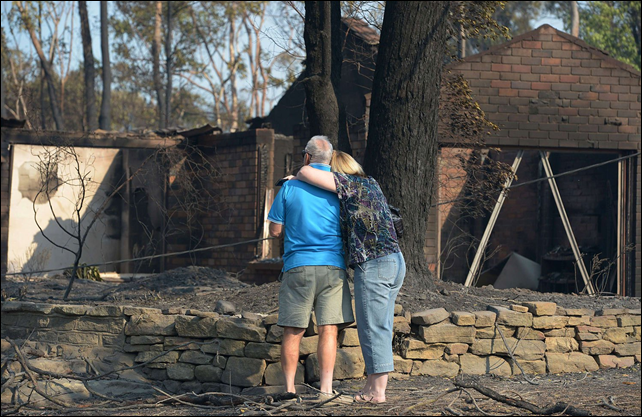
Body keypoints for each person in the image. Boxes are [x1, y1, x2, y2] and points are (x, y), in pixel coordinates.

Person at [296, 150, 406, 404]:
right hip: (395, 260)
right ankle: (372, 384)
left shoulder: (348, 183)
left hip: (374, 263)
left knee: (371, 327)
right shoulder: (370, 183)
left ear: (337, 171)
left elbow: (305, 172)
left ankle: (378, 392)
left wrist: (296, 176)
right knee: (381, 324)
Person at [267, 136, 354, 401]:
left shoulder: (289, 187)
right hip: (332, 266)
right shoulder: (339, 187)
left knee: (294, 331)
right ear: (330, 160)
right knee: (329, 329)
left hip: (298, 267)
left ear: (306, 157)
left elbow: (274, 231)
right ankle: (326, 390)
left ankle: (290, 391)